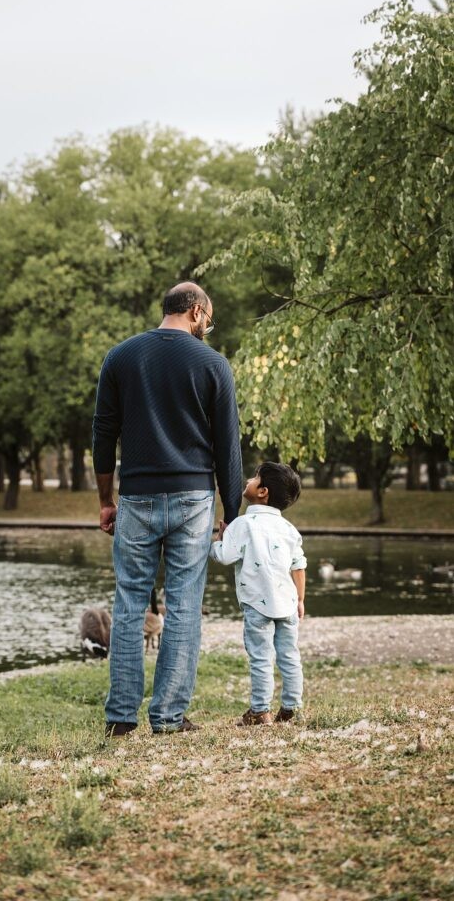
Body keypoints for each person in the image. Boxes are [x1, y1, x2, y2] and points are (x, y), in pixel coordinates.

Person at [92, 281, 242, 737]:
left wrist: (105, 500)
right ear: (195, 312)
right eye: (208, 320)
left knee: (129, 603)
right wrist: (232, 513)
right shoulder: (213, 364)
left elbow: (103, 433)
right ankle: (169, 717)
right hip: (194, 499)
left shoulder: (120, 357)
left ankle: (121, 719)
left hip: (136, 496)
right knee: (183, 606)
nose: (207, 328)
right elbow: (227, 446)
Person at [211, 461, 306, 725]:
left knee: (261, 657)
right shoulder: (289, 529)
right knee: (290, 656)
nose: (248, 481)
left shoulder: (243, 524)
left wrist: (218, 541)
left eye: (254, 478)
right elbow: (299, 566)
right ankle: (292, 707)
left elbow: (225, 556)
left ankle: (260, 710)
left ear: (263, 492)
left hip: (257, 604)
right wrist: (300, 599)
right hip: (287, 603)